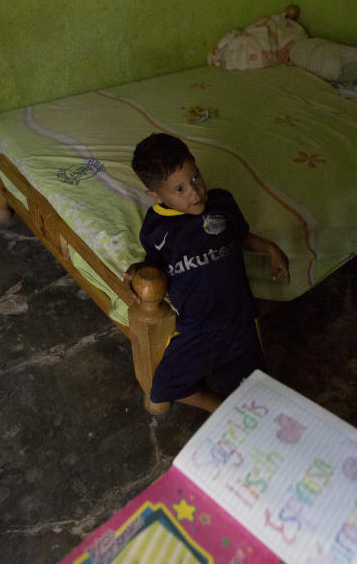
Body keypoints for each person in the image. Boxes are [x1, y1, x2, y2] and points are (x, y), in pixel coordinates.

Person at [123, 133, 290, 412]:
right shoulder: (156, 228)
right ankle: (223, 410)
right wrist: (135, 272)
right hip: (197, 327)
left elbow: (239, 236)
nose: (194, 192)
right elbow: (154, 265)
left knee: (261, 399)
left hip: (240, 321)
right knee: (160, 391)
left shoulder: (221, 202)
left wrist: (270, 248)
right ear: (155, 196)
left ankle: (245, 411)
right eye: (179, 190)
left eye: (195, 177)